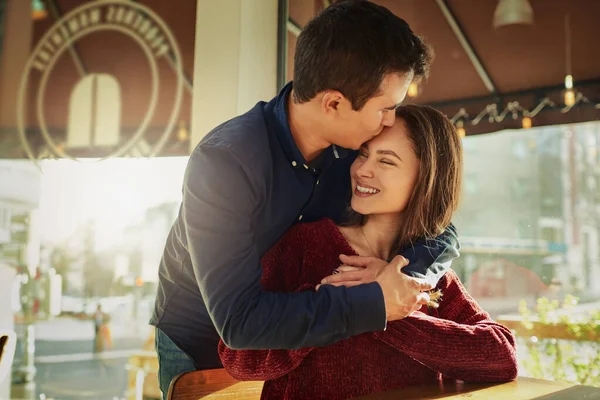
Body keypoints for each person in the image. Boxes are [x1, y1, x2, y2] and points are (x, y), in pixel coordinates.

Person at [151, 0, 460, 395]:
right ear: (333, 103)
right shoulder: (225, 164)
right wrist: (375, 302)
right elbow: (240, 322)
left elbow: (439, 223)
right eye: (386, 108)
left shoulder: (354, 151)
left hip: (304, 337)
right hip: (202, 341)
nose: (389, 121)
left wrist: (404, 276)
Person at [218, 105, 519, 400]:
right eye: (363, 154)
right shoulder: (304, 245)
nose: (363, 170)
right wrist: (354, 303)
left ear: (425, 179)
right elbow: (238, 358)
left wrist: (389, 307)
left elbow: (502, 357)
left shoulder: (427, 273)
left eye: (386, 162)